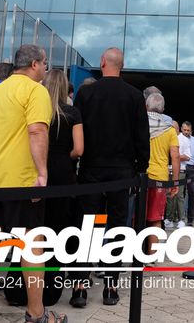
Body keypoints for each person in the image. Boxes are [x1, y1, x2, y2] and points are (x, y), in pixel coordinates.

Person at [0, 44, 66, 323]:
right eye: (45, 63)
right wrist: (43, 174)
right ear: (35, 64)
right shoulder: (36, 91)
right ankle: (36, 314)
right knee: (31, 244)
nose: (46, 69)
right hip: (22, 179)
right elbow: (36, 130)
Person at [73, 47, 148, 307]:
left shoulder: (85, 93)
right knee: (117, 229)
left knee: (87, 226)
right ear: (122, 66)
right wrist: (141, 168)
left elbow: (77, 130)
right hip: (121, 172)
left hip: (91, 169)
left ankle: (80, 288)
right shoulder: (135, 96)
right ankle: (111, 288)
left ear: (103, 62)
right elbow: (142, 137)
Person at [41, 68, 83, 299]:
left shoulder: (38, 110)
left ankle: (19, 286)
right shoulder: (72, 113)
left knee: (34, 230)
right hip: (64, 175)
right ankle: (52, 288)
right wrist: (63, 157)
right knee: (59, 232)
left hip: (38, 172)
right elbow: (79, 149)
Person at [145, 93, 180, 245]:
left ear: (146, 106)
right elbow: (176, 156)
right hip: (160, 177)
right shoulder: (170, 129)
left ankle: (134, 255)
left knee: (137, 216)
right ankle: (151, 257)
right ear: (163, 109)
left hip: (141, 175)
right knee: (155, 219)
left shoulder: (139, 123)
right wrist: (175, 182)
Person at [178, 121, 194, 225]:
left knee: (192, 192)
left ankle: (190, 218)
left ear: (191, 130)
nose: (186, 132)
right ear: (181, 129)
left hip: (192, 168)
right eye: (184, 130)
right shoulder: (177, 139)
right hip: (181, 166)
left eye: (188, 130)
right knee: (179, 193)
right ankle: (180, 218)